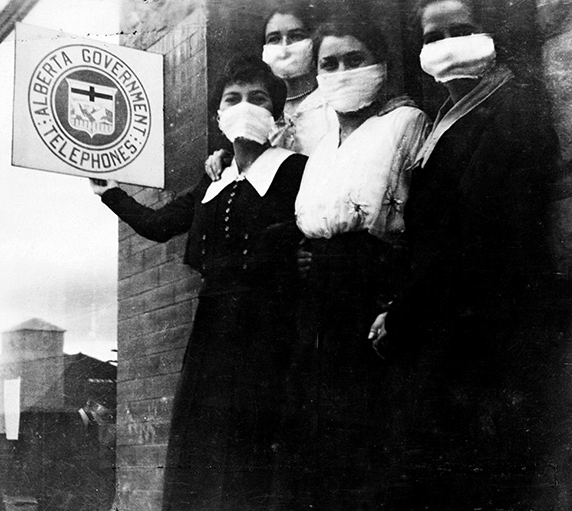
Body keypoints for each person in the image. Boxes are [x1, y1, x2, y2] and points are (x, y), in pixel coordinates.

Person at [90, 55, 307, 511]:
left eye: (258, 98)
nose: (244, 106)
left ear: (277, 114)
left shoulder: (296, 170)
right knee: (208, 442)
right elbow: (157, 224)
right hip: (213, 326)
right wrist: (107, 188)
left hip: (272, 323)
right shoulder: (213, 179)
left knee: (259, 440)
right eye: (233, 99)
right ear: (218, 116)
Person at [369, 0, 562, 508]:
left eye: (462, 29)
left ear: (490, 35)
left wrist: (403, 312)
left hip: (489, 326)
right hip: (448, 324)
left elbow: (472, 232)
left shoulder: (515, 106)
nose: (447, 43)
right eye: (434, 36)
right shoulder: (440, 119)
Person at [283, 15, 430, 510]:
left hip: (372, 295)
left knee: (371, 436)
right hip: (319, 304)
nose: (342, 72)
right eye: (329, 64)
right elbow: (310, 221)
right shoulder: (322, 147)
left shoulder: (404, 125)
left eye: (355, 60)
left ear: (381, 67)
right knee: (318, 437)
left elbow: (423, 223)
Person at [204, 2, 336, 180]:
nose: (284, 47)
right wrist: (230, 162)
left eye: (296, 36)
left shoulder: (334, 105)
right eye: (274, 39)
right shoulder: (257, 112)